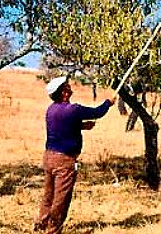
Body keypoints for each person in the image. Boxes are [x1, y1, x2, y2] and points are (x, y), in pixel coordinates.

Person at [34, 76, 117, 233]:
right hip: (64, 161)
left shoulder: (51, 109)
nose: (70, 87)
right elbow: (97, 112)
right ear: (64, 92)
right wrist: (108, 103)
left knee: (48, 194)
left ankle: (41, 224)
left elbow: (62, 125)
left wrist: (82, 126)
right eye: (67, 86)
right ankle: (52, 230)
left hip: (49, 157)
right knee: (61, 198)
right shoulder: (74, 109)